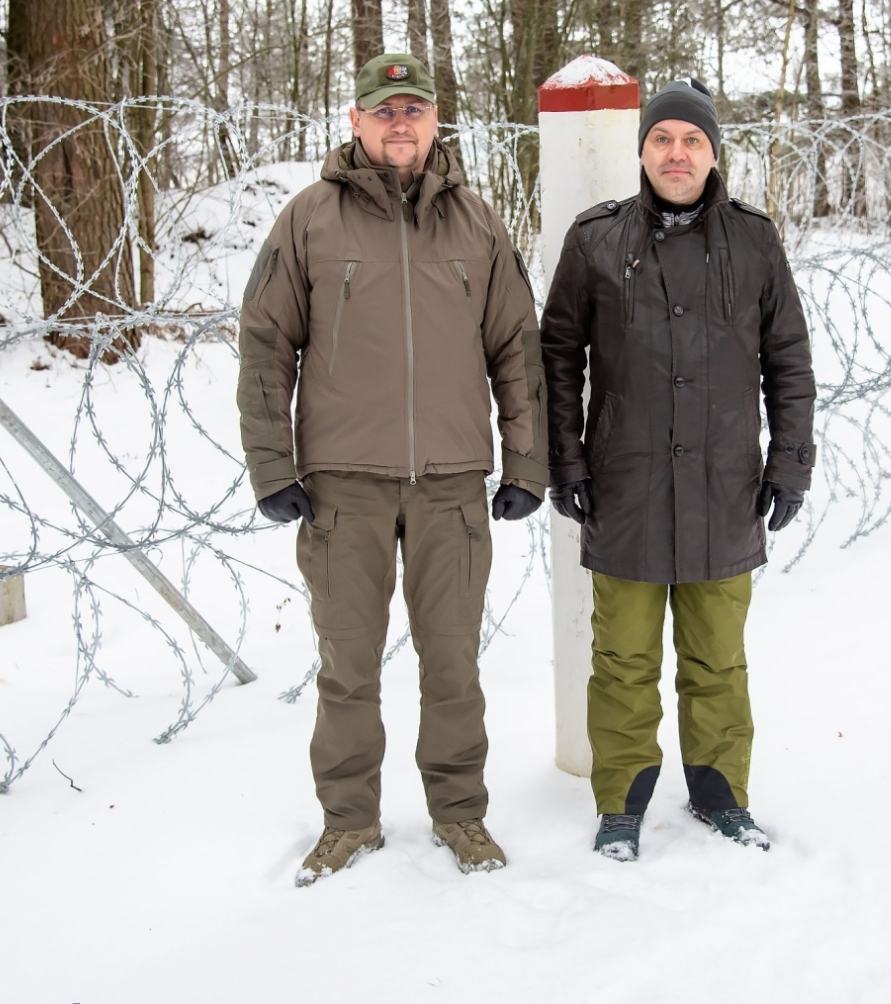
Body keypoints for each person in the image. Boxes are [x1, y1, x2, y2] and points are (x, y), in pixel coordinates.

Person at [236, 53, 548, 884]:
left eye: (414, 110)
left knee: (453, 665)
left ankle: (460, 816)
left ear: (435, 120)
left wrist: (526, 459)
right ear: (356, 121)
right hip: (345, 487)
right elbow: (266, 344)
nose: (399, 124)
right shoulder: (308, 220)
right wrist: (272, 465)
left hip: (451, 483)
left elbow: (517, 348)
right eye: (384, 111)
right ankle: (349, 822)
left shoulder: (477, 224)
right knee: (348, 666)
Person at [539, 78, 816, 861]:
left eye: (692, 140)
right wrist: (568, 459)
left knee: (717, 656)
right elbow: (557, 356)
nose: (677, 153)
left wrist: (788, 463)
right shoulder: (596, 241)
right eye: (663, 138)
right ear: (642, 152)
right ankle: (621, 803)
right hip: (625, 487)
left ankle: (720, 792)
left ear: (713, 153)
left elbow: (788, 360)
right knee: (622, 657)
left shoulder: (755, 242)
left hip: (725, 486)